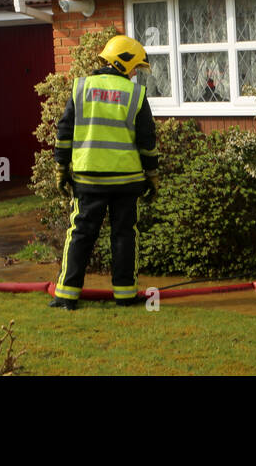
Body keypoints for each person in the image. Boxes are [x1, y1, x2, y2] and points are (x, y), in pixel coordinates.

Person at [49, 35, 160, 310]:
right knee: (124, 235)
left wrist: (60, 168)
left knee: (81, 234)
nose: (135, 74)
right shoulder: (135, 95)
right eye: (135, 67)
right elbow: (147, 141)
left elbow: (64, 133)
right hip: (126, 181)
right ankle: (125, 295)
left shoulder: (81, 88)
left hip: (88, 179)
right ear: (123, 63)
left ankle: (66, 295)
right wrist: (152, 175)